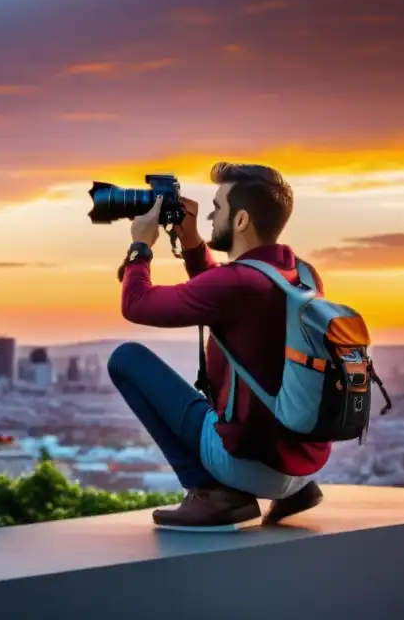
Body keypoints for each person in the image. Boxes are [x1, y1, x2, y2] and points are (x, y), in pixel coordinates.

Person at [110, 162, 328, 530]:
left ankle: (212, 493)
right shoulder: (302, 275)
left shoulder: (236, 284)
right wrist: (192, 242)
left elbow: (136, 304)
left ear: (240, 220)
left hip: (252, 468)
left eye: (217, 208)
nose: (210, 216)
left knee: (126, 359)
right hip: (302, 467)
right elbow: (224, 291)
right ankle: (293, 492)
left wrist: (140, 246)